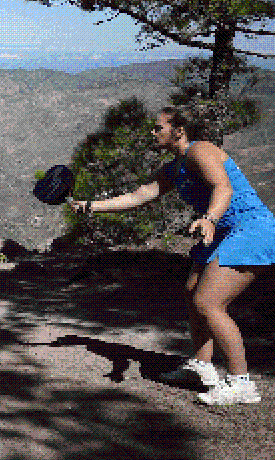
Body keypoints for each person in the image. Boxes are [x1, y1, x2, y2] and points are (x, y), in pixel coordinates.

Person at [71, 107, 273, 405]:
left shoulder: (200, 150)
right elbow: (139, 196)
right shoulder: (174, 168)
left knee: (209, 303)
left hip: (250, 228)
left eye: (158, 128)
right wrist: (91, 206)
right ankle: (202, 368)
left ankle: (241, 383)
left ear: (178, 130)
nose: (152, 133)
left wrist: (210, 218)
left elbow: (223, 187)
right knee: (193, 294)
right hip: (220, 230)